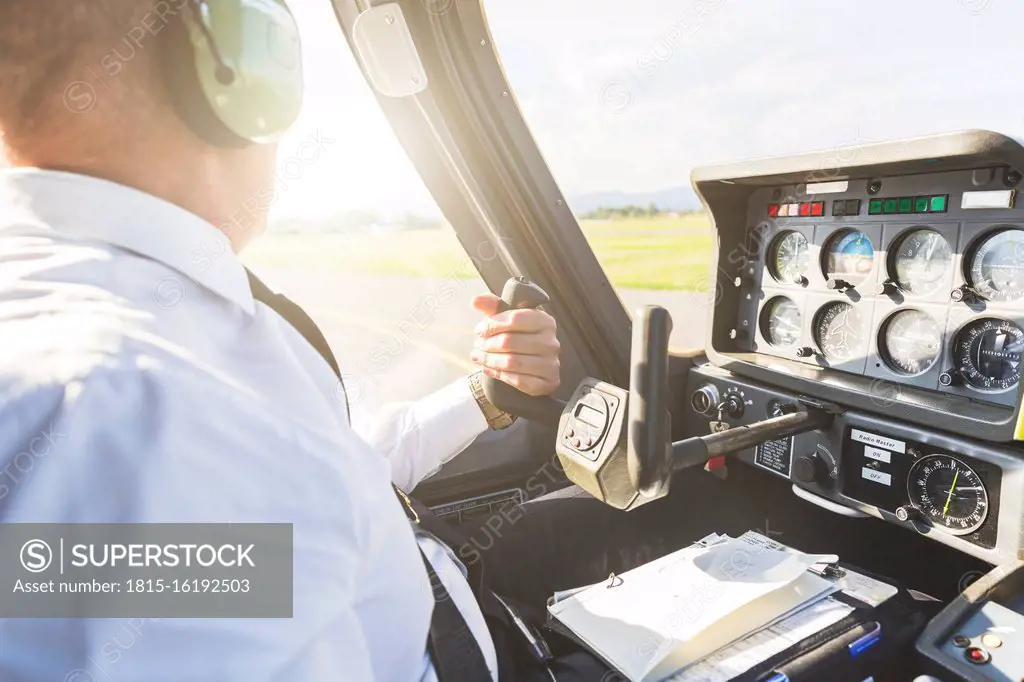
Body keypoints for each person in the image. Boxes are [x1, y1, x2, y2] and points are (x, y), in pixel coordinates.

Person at [0, 2, 761, 681]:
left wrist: (482, 396)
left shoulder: (158, 333)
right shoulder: (137, 414)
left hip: (472, 617)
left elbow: (338, 472)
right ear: (232, 69)